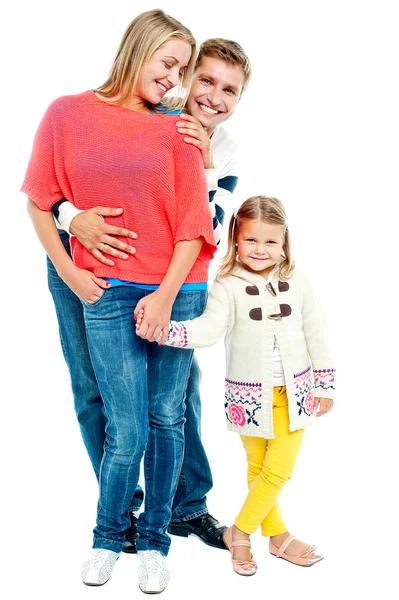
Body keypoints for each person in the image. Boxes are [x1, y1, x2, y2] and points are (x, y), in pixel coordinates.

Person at [21, 9, 217, 593]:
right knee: (114, 414)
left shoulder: (177, 127)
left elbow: (193, 222)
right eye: (168, 63)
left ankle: (163, 528)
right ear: (138, 49)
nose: (175, 79)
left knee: (168, 413)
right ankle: (112, 533)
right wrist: (71, 268)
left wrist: (165, 294)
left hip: (170, 288)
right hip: (93, 285)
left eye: (183, 69)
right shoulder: (66, 113)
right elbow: (39, 199)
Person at [51, 38, 252, 551]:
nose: (213, 96)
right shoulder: (146, 109)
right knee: (92, 385)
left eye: (229, 89)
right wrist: (75, 220)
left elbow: (206, 226)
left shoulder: (222, 150)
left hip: (169, 279)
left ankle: (186, 506)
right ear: (185, 77)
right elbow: (60, 186)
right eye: (204, 79)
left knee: (178, 394)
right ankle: (121, 506)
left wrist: (202, 163)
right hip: (84, 264)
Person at [138, 195, 335, 575]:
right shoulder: (227, 285)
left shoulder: (295, 281)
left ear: (284, 243)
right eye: (251, 241)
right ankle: (278, 537)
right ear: (235, 239)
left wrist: (324, 385)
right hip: (249, 398)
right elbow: (210, 329)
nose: (260, 250)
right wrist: (169, 330)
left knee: (278, 469)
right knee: (259, 465)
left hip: (295, 394)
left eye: (270, 242)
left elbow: (317, 331)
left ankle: (240, 534)